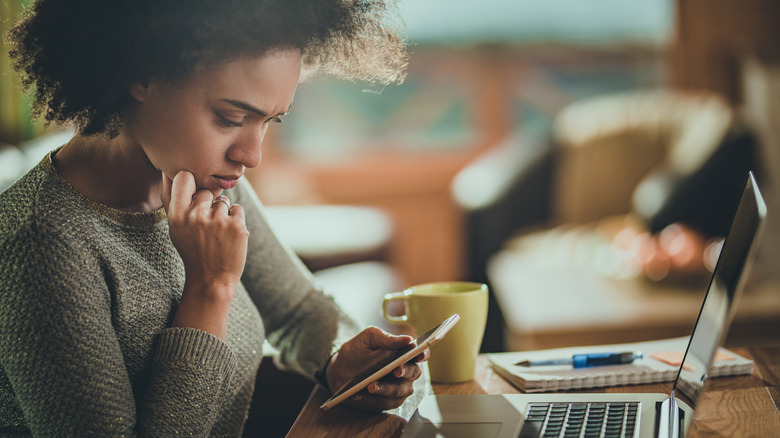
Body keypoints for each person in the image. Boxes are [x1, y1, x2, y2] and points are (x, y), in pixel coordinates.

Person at [0, 0, 425, 436]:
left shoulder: (203, 178)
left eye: (269, 121)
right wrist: (208, 289)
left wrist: (339, 358)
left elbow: (297, 310)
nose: (251, 155)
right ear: (140, 74)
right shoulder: (38, 244)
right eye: (231, 118)